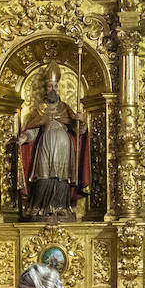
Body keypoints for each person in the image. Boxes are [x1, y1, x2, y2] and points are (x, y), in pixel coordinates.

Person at [16, 64, 90, 220]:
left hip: (64, 149)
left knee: (61, 177)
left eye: (55, 85)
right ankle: (40, 206)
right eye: (50, 85)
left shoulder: (65, 108)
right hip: (45, 145)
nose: (53, 89)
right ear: (45, 88)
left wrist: (81, 121)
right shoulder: (40, 110)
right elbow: (34, 129)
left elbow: (79, 132)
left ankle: (60, 207)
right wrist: (25, 137)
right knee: (43, 176)